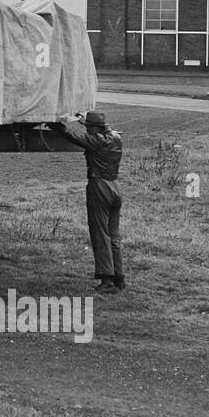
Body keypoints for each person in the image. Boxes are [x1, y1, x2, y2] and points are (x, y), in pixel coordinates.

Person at [57, 110, 125, 294]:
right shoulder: (115, 137)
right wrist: (84, 122)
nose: (87, 130)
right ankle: (119, 278)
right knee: (113, 235)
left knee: (100, 232)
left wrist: (56, 123)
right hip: (115, 186)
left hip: (99, 186)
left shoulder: (96, 141)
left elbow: (71, 135)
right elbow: (95, 132)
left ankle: (106, 280)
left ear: (94, 129)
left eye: (89, 127)